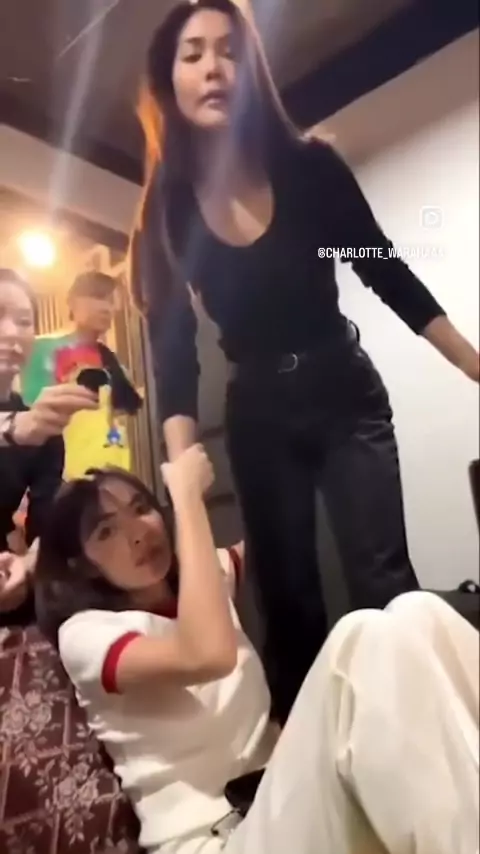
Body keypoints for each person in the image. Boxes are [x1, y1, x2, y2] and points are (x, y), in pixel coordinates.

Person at [129, 0, 480, 720]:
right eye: (193, 54)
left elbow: (384, 271)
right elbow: (172, 350)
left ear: (250, 72)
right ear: (170, 80)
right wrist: (183, 471)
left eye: (229, 51)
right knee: (287, 596)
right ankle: (309, 748)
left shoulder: (310, 168)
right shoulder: (171, 206)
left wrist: (474, 365)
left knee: (385, 582)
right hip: (259, 411)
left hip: (343, 389)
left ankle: (424, 728)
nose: (213, 67)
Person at [34, 453, 479, 854]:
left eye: (141, 508)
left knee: (417, 611)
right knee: (358, 639)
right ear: (80, 563)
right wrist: (188, 498)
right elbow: (206, 654)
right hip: (216, 838)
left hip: (280, 797)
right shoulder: (88, 634)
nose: (138, 533)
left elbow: (274, 536)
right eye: (106, 531)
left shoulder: (205, 584)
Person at [0, 268, 99, 623]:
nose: (12, 331)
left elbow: (45, 525)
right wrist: (13, 428)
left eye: (24, 321)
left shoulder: (42, 428)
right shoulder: (27, 425)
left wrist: (26, 565)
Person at [21, 271, 142, 480]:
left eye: (110, 301)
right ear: (72, 302)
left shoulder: (112, 361)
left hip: (113, 474)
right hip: (64, 477)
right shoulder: (43, 350)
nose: (106, 307)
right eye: (97, 297)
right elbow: (31, 414)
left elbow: (121, 415)